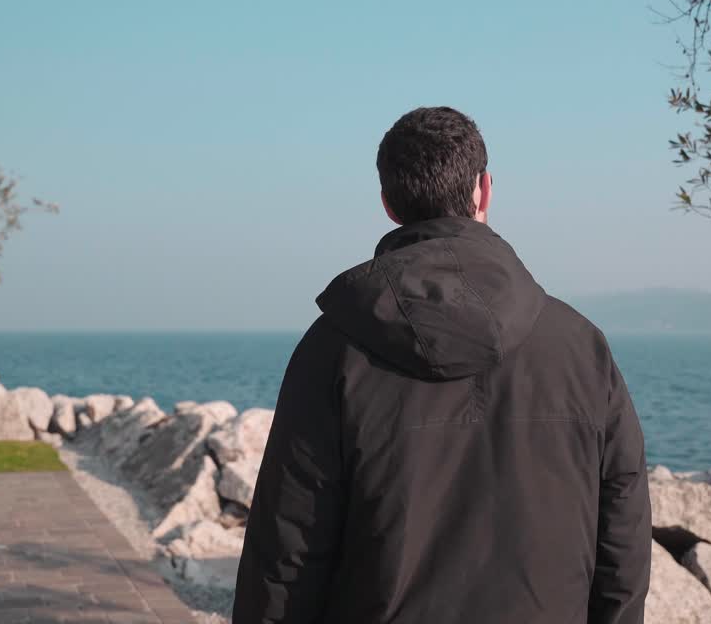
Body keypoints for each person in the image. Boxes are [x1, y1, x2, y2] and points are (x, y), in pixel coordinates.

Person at [232, 106, 651, 623]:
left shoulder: (334, 349)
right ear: (484, 191)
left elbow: (288, 546)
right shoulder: (581, 347)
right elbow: (622, 533)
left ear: (388, 204)